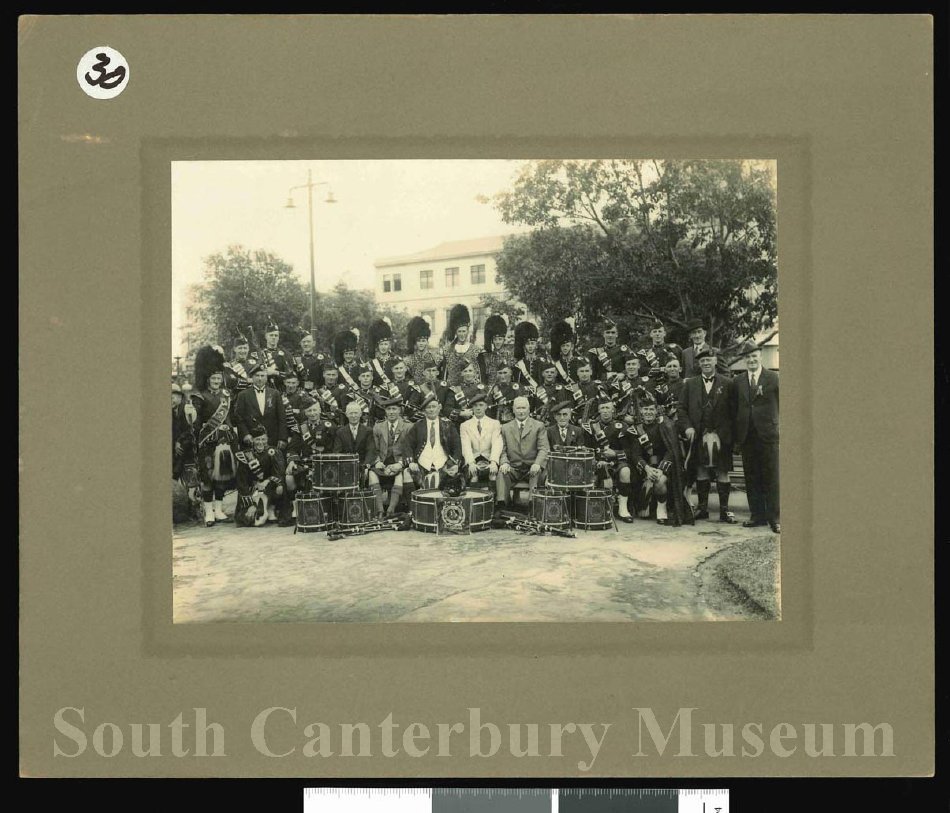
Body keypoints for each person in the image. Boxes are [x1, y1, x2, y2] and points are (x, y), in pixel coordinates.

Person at [678, 348, 737, 523]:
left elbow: (735, 412)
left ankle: (724, 511)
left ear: (715, 362)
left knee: (722, 471)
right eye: (702, 361)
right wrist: (687, 427)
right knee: (701, 471)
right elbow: (681, 409)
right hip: (698, 435)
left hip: (722, 436)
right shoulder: (690, 384)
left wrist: (727, 435)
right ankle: (702, 509)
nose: (706, 363)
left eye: (709, 360)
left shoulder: (728, 383)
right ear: (699, 364)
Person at [627, 393, 694, 527]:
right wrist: (647, 468)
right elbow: (635, 454)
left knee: (660, 481)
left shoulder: (666, 425)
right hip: (644, 467)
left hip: (664, 466)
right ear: (640, 411)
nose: (648, 412)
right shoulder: (635, 429)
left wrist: (660, 470)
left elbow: (672, 450)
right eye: (645, 410)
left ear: (656, 410)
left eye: (651, 409)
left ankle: (661, 508)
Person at [733, 342, 780, 533]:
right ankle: (757, 515)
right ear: (744, 360)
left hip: (767, 435)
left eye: (754, 356)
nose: (751, 360)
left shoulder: (773, 378)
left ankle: (775, 517)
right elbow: (735, 408)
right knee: (752, 478)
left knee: (771, 476)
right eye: (747, 357)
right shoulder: (738, 381)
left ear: (760, 356)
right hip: (747, 436)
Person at [191, 345, 237, 527]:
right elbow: (196, 423)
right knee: (208, 477)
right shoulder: (199, 396)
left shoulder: (227, 395)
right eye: (213, 378)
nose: (217, 380)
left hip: (225, 442)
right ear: (208, 379)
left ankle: (219, 509)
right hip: (208, 443)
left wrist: (232, 431)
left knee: (222, 477)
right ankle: (209, 511)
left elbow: (231, 417)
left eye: (219, 378)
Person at [283, 397, 338, 523]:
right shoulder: (300, 428)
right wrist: (291, 461)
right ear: (305, 413)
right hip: (306, 462)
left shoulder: (329, 426)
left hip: (325, 463)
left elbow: (335, 448)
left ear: (319, 410)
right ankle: (296, 507)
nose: (312, 413)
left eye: (314, 410)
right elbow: (292, 448)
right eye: (309, 411)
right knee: (288, 477)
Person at [582, 399, 634, 522]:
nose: (605, 411)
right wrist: (594, 460)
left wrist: (615, 453)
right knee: (604, 475)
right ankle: (605, 509)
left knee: (625, 471)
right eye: (602, 408)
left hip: (616, 461)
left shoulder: (622, 426)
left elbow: (629, 451)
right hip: (597, 462)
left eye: (608, 408)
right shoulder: (590, 427)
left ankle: (623, 509)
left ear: (613, 410)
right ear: (599, 410)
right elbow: (586, 448)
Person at [497, 395, 550, 512]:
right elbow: (502, 449)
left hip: (532, 468)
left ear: (529, 409)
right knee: (502, 473)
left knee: (536, 472)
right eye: (518, 408)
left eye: (524, 408)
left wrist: (537, 464)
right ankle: (502, 506)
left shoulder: (538, 426)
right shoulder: (505, 428)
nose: (521, 411)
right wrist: (504, 462)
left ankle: (533, 506)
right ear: (513, 410)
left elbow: (543, 449)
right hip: (514, 468)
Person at [406, 392, 464, 490]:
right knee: (406, 473)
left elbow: (457, 446)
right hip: (422, 464)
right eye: (428, 407)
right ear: (424, 410)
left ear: (439, 407)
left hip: (443, 464)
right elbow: (408, 445)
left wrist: (454, 463)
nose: (432, 409)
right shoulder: (417, 426)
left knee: (447, 483)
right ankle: (413, 504)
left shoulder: (448, 425)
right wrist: (411, 462)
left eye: (434, 406)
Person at [333, 401, 383, 508]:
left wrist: (366, 465)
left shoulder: (368, 430)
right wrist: (346, 465)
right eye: (351, 413)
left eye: (356, 413)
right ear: (346, 414)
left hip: (363, 465)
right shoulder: (340, 432)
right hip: (346, 466)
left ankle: (368, 507)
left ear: (360, 414)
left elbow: (371, 450)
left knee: (367, 476)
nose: (354, 416)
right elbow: (337, 452)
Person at [234, 423, 286, 526]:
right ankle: (259, 508)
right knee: (248, 520)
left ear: (267, 439)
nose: (260, 442)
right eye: (257, 439)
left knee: (279, 487)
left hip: (270, 486)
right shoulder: (245, 455)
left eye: (263, 439)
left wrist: (267, 481)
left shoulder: (274, 452)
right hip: (252, 490)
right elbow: (242, 481)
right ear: (252, 440)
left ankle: (271, 507)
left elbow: (279, 472)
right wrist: (250, 504)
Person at [370, 397, 415, 516]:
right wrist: (377, 462)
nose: (391, 412)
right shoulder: (378, 427)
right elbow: (373, 449)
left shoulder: (408, 426)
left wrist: (400, 464)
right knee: (371, 473)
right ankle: (380, 510)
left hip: (399, 463)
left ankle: (391, 509)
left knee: (400, 475)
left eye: (394, 409)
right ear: (385, 411)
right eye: (388, 409)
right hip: (382, 463)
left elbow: (410, 450)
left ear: (400, 410)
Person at [233, 362, 288, 452]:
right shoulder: (243, 395)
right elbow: (239, 418)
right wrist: (245, 434)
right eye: (257, 376)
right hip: (251, 439)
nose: (260, 378)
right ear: (252, 378)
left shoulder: (275, 393)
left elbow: (282, 417)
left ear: (266, 378)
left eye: (262, 376)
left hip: (272, 439)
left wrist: (282, 438)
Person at [459, 390, 503, 488]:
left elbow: (497, 444)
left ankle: (493, 500)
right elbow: (466, 446)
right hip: (473, 458)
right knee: (473, 475)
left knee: (493, 474)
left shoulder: (494, 423)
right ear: (472, 408)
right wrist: (471, 463)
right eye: (475, 406)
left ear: (486, 406)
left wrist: (494, 462)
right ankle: (475, 499)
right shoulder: (465, 425)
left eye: (481, 405)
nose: (478, 408)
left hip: (489, 458)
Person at [441, 304, 482, 387]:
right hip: (452, 389)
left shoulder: (476, 350)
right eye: (459, 331)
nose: (462, 334)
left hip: (471, 390)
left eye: (464, 331)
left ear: (467, 331)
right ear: (456, 332)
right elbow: (444, 374)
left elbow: (480, 373)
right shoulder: (447, 350)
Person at [444, 358, 487, 425]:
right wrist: (461, 413)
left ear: (474, 373)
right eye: (465, 371)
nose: (468, 373)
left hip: (479, 423)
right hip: (460, 424)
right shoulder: (454, 389)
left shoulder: (482, 388)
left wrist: (473, 412)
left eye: (470, 371)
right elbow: (447, 409)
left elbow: (489, 407)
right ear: (461, 373)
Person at [587, 318, 631, 382]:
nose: (610, 335)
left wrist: (623, 374)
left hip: (620, 385)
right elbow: (592, 374)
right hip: (602, 386)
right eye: (608, 332)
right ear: (603, 334)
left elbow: (633, 366)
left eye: (613, 333)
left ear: (617, 334)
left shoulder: (624, 350)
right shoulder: (595, 352)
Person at [257, 318, 294, 391]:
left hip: (281, 390)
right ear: (266, 336)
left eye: (276, 335)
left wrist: (275, 372)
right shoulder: (259, 354)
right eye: (271, 335)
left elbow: (291, 376)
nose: (273, 337)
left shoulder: (286, 354)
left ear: (278, 337)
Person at [512, 320, 550, 387]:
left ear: (536, 345)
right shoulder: (519, 365)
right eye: (528, 344)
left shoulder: (543, 363)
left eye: (532, 343)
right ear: (524, 346)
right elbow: (516, 384)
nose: (530, 346)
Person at [404, 315, 442, 384]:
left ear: (427, 342)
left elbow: (440, 377)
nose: (421, 343)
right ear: (415, 342)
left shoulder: (436, 358)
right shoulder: (408, 360)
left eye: (423, 341)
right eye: (419, 341)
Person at [477, 314, 514, 384]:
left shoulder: (511, 355)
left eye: (500, 339)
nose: (497, 342)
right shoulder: (485, 357)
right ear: (492, 340)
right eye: (495, 339)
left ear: (504, 339)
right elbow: (483, 380)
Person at [367, 317, 402, 388]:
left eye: (385, 344)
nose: (383, 347)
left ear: (389, 345)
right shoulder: (371, 364)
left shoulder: (396, 360)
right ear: (378, 346)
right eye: (381, 344)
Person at [172, 382, 197, 481]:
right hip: (175, 440)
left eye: (172, 398)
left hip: (186, 439)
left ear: (179, 398)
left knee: (182, 449)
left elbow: (189, 428)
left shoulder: (187, 409)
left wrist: (178, 441)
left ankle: (175, 474)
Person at [550, 319, 584, 385]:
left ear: (572, 346)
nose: (565, 348)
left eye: (567, 345)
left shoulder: (580, 362)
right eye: (563, 346)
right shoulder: (556, 365)